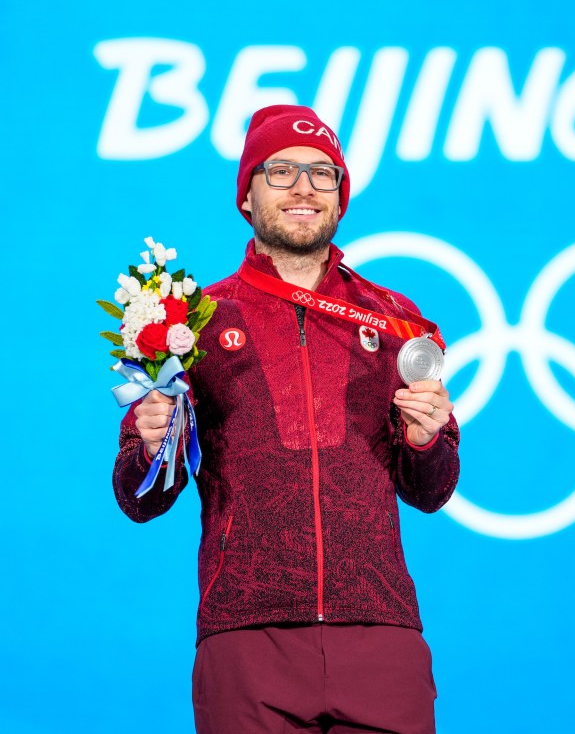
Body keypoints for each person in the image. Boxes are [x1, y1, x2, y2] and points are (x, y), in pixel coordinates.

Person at [112, 104, 460, 734]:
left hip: (379, 633)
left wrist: (428, 438)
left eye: (322, 174)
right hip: (247, 637)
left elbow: (431, 492)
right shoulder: (191, 321)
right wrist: (149, 442)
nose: (304, 187)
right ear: (247, 194)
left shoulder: (395, 320)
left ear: (340, 194)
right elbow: (140, 500)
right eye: (281, 171)